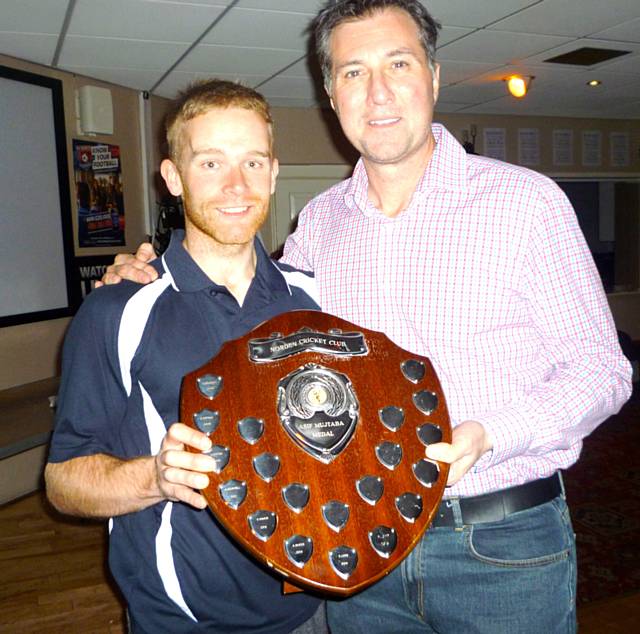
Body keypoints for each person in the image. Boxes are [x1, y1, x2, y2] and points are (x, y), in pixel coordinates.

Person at [101, 1, 633, 632]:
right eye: (353, 72)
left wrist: (490, 432)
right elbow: (249, 301)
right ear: (331, 94)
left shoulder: (527, 204)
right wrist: (145, 275)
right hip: (356, 551)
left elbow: (604, 372)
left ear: (433, 76)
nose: (378, 92)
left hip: (498, 543)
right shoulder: (320, 226)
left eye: (398, 63)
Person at [45, 80, 327, 633]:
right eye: (210, 163)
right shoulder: (118, 311)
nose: (235, 185)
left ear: (273, 171)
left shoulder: (311, 300)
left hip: (315, 606)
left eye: (251, 162)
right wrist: (157, 476)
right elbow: (63, 481)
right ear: (173, 177)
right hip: (184, 621)